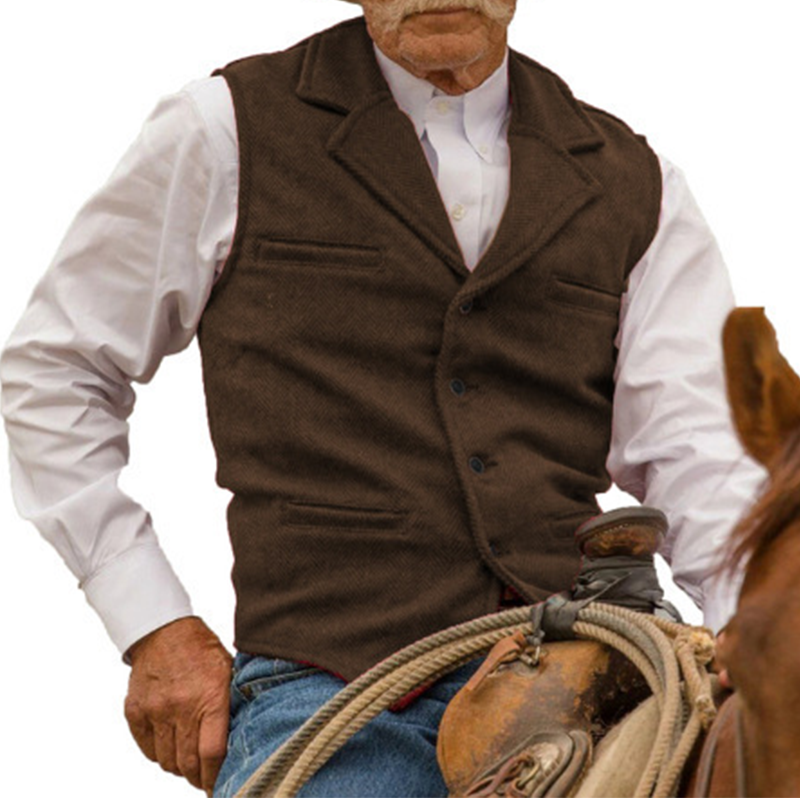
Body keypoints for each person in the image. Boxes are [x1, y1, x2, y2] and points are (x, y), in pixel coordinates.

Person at [0, 0, 765, 796]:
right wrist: (152, 624)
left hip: (595, 668)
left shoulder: (635, 182)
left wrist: (760, 637)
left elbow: (704, 452)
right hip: (335, 689)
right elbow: (55, 371)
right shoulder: (225, 132)